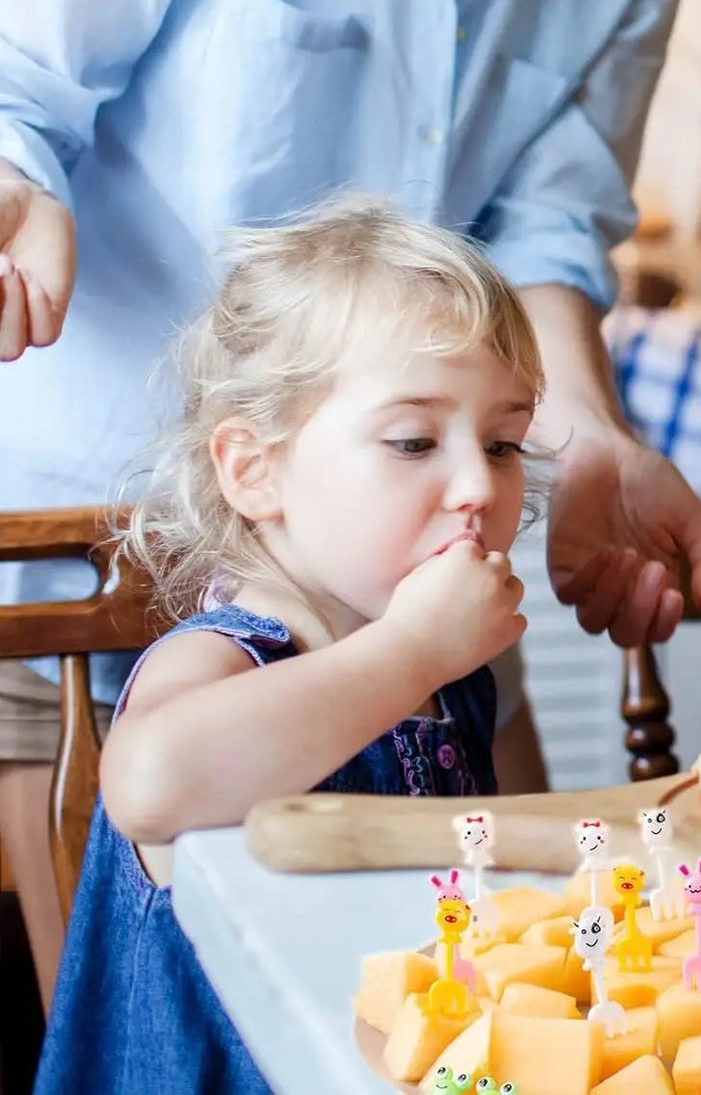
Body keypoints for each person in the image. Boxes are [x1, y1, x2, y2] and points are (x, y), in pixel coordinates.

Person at [0, 0, 701, 1009]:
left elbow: (546, 225)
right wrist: (14, 181)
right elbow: (18, 87)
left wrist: (585, 438)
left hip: (388, 562)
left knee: (473, 992)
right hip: (79, 559)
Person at [35, 198, 545, 1092]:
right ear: (254, 470)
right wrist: (416, 652)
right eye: (413, 440)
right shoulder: (227, 658)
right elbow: (150, 784)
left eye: (502, 444)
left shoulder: (447, 675)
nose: (477, 484)